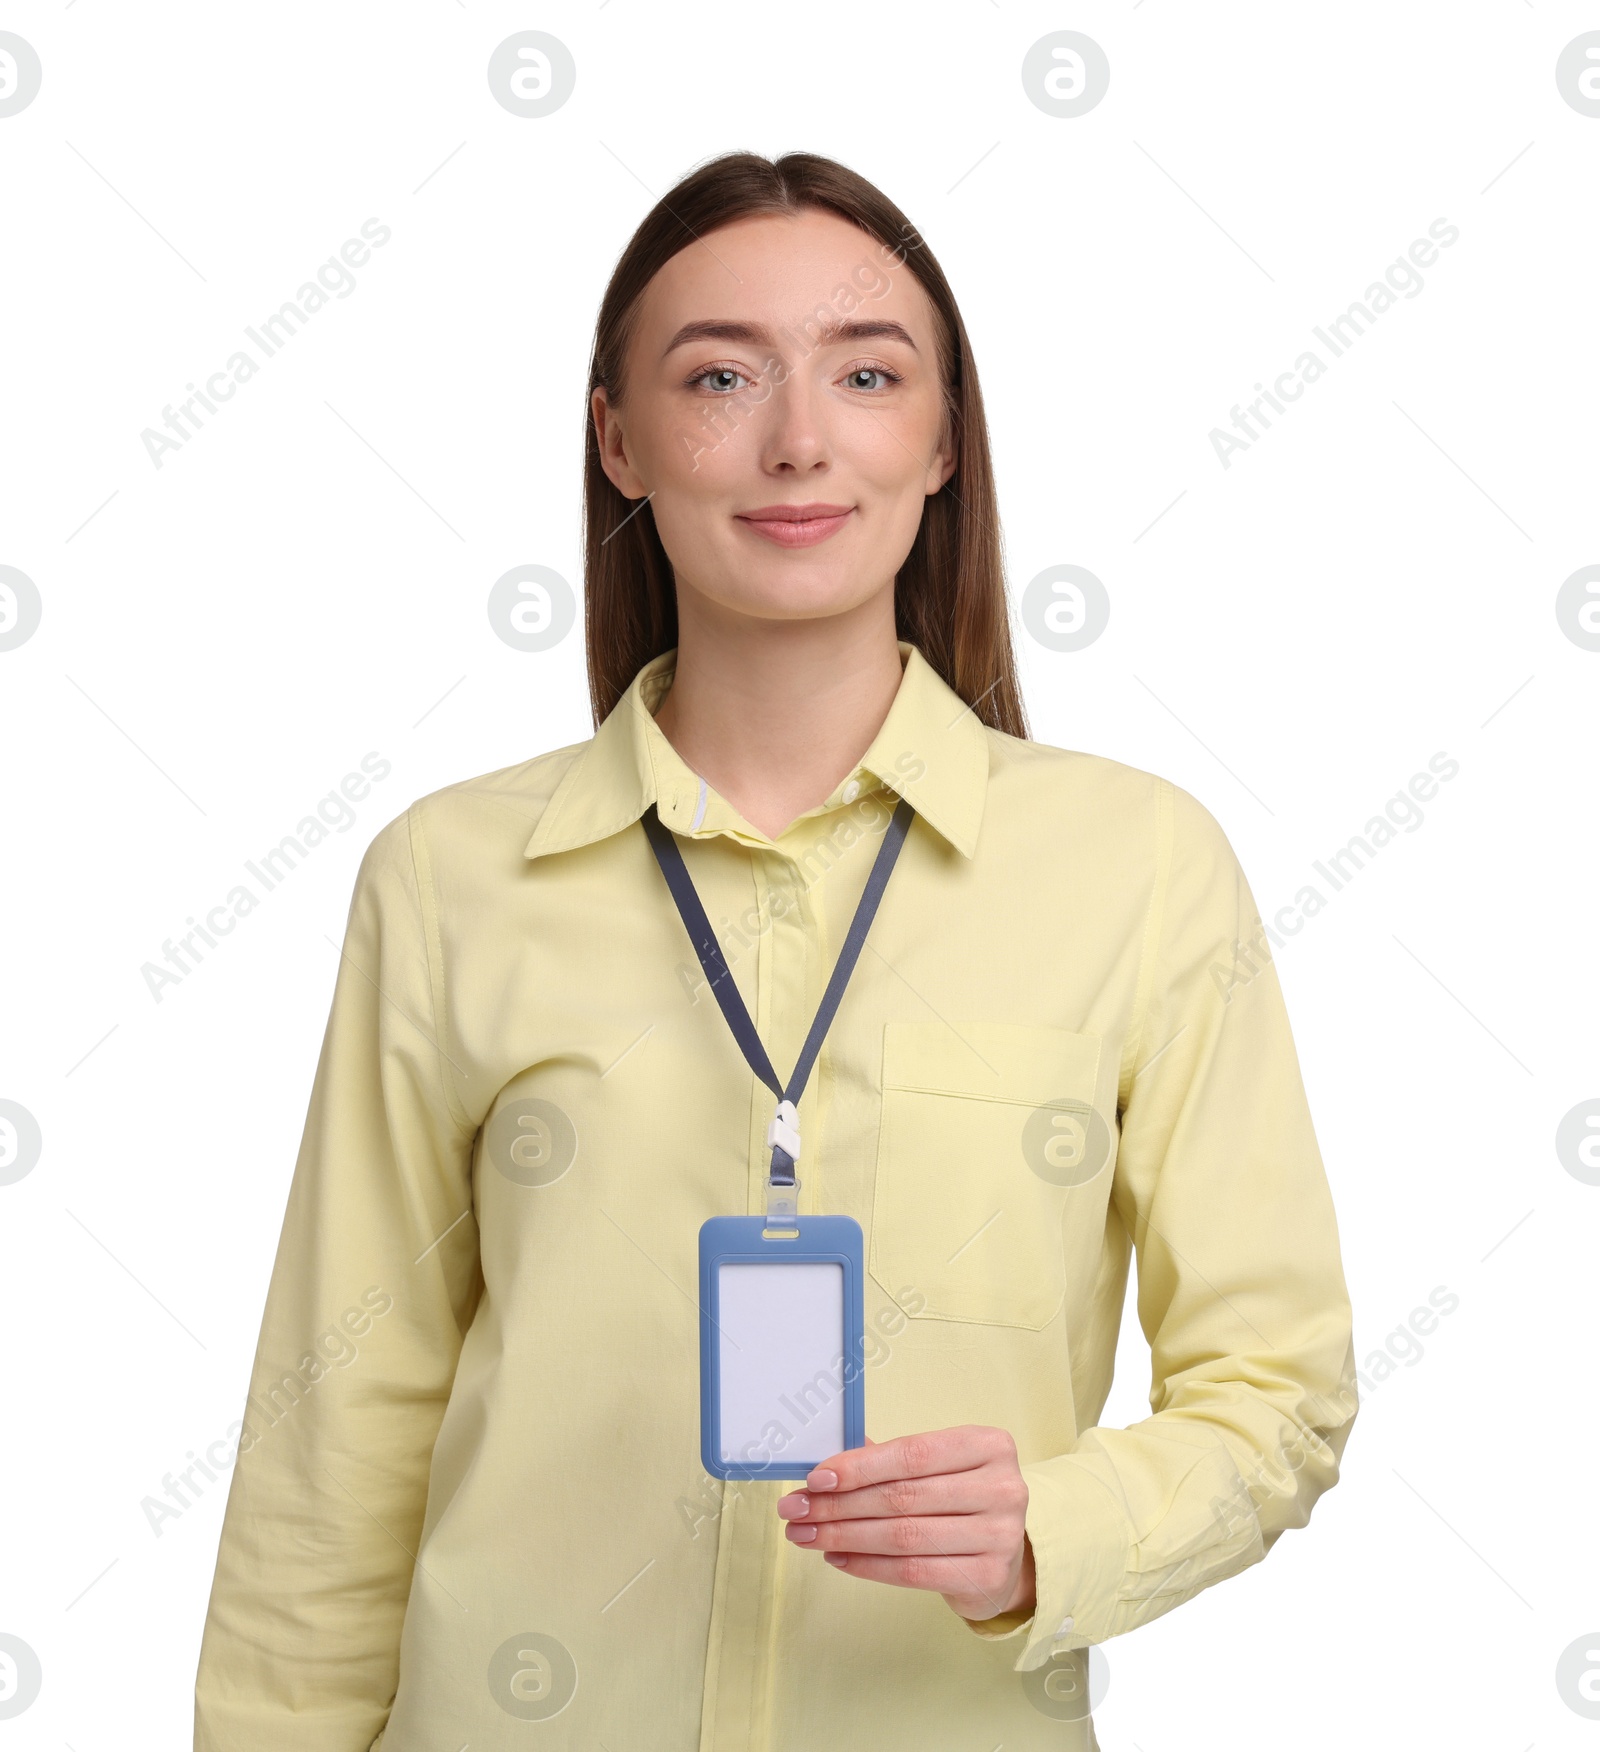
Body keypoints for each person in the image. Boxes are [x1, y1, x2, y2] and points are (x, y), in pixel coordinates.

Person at [193, 150, 1358, 1752]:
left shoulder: (1139, 870)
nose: (799, 439)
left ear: (942, 440)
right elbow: (336, 1435)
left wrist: (1057, 1529)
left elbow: (1278, 1391)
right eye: (721, 375)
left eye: (867, 375)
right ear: (620, 438)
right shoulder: (448, 879)